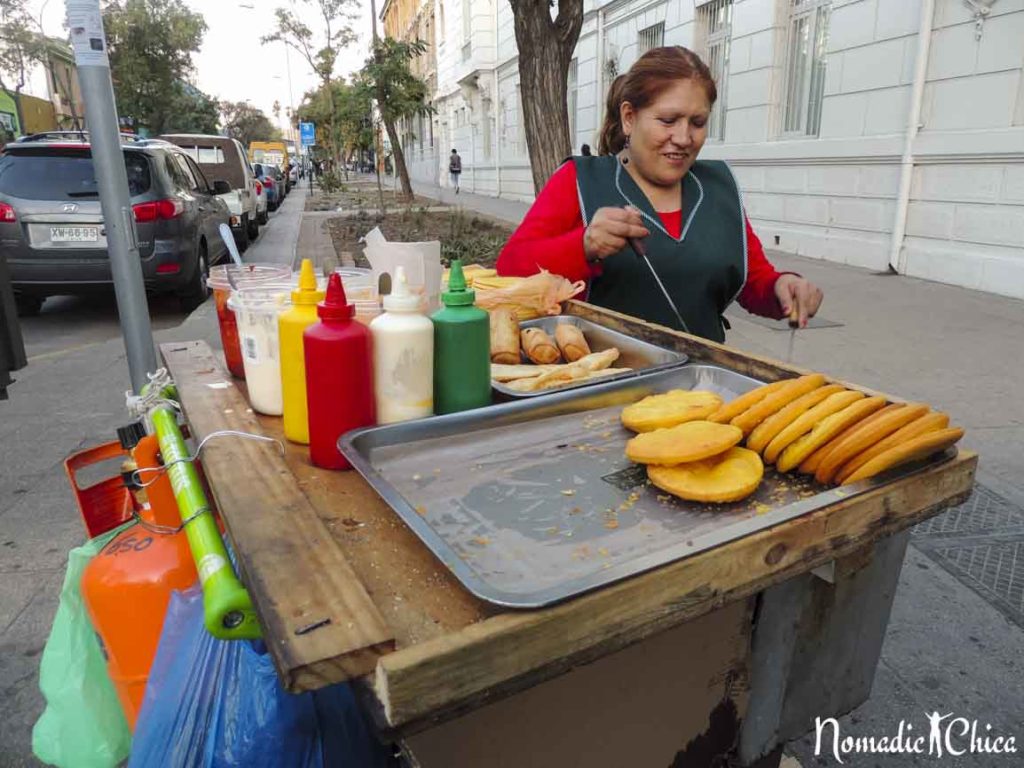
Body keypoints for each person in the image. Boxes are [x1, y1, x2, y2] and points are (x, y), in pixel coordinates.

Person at [497, 46, 823, 342]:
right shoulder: (580, 181)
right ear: (629, 118)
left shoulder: (717, 187)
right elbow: (510, 268)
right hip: (600, 379)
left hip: (698, 383)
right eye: (668, 120)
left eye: (697, 122)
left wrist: (783, 288)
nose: (683, 137)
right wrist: (584, 245)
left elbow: (752, 281)